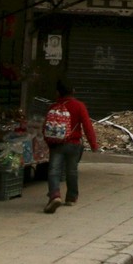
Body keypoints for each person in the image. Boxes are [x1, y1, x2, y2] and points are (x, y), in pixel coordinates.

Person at [42, 80, 97, 214]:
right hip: (73, 144)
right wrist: (93, 144)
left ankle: (55, 195)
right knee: (71, 171)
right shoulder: (79, 106)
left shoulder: (53, 107)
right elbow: (87, 126)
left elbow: (45, 127)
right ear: (73, 91)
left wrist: (48, 141)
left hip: (56, 144)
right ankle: (71, 197)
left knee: (54, 170)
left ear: (57, 92)